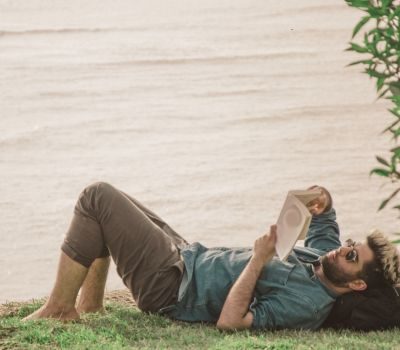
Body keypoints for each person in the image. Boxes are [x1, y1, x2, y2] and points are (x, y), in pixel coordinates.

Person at [23, 182, 400, 330]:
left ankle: (59, 308)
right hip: (187, 256)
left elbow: (230, 323)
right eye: (350, 242)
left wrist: (259, 259)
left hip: (172, 288)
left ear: (358, 283)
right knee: (111, 211)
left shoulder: (307, 303)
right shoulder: (324, 259)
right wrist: (323, 199)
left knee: (97, 199)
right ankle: (88, 306)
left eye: (351, 254)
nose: (342, 248)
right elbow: (326, 220)